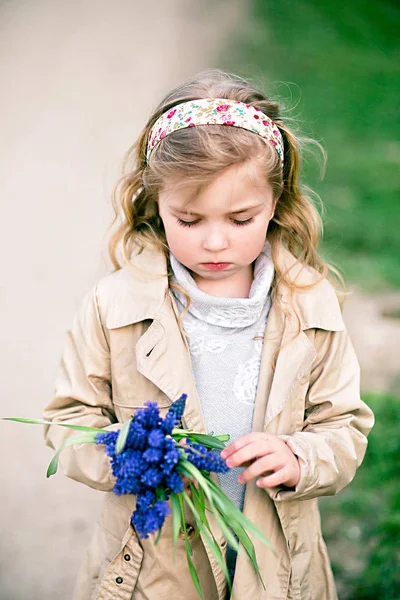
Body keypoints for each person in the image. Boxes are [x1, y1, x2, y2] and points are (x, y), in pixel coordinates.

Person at [43, 68, 374, 600]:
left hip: (275, 565)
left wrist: (299, 457)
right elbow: (68, 421)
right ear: (156, 205)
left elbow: (345, 426)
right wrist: (131, 456)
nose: (215, 242)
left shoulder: (311, 306)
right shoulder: (114, 306)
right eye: (189, 220)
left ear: (275, 204)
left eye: (241, 219)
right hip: (155, 569)